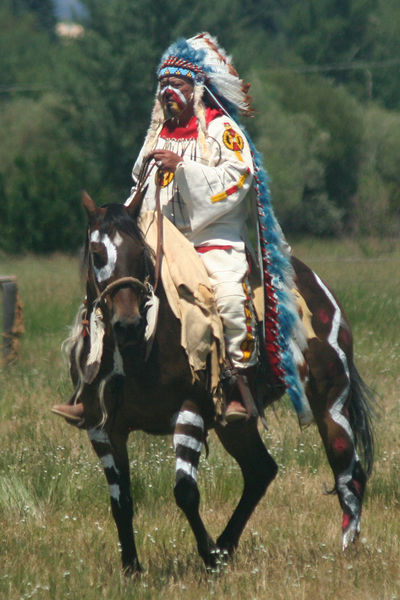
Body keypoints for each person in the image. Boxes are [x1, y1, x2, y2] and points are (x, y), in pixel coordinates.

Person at [53, 33, 307, 425]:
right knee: (113, 292)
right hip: (162, 241)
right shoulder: (159, 133)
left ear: (197, 88)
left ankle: (238, 389)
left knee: (228, 298)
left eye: (178, 84)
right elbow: (140, 180)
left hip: (214, 240)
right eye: (164, 85)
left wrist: (183, 169)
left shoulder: (220, 129)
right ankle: (89, 391)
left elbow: (240, 178)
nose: (169, 92)